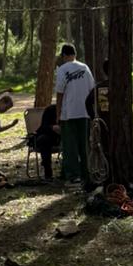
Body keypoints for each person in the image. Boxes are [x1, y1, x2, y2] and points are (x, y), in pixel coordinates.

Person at [54, 43, 95, 184]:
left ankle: (72, 174)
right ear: (75, 54)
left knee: (70, 146)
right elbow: (92, 90)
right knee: (84, 145)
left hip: (69, 113)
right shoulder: (85, 68)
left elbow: (60, 94)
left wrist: (58, 114)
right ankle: (86, 172)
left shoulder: (62, 69)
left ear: (64, 55)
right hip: (85, 112)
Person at [33, 102, 60, 181]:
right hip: (49, 136)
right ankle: (48, 173)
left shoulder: (70, 110)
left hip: (65, 137)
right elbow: (44, 127)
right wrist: (52, 127)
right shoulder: (50, 110)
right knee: (43, 140)